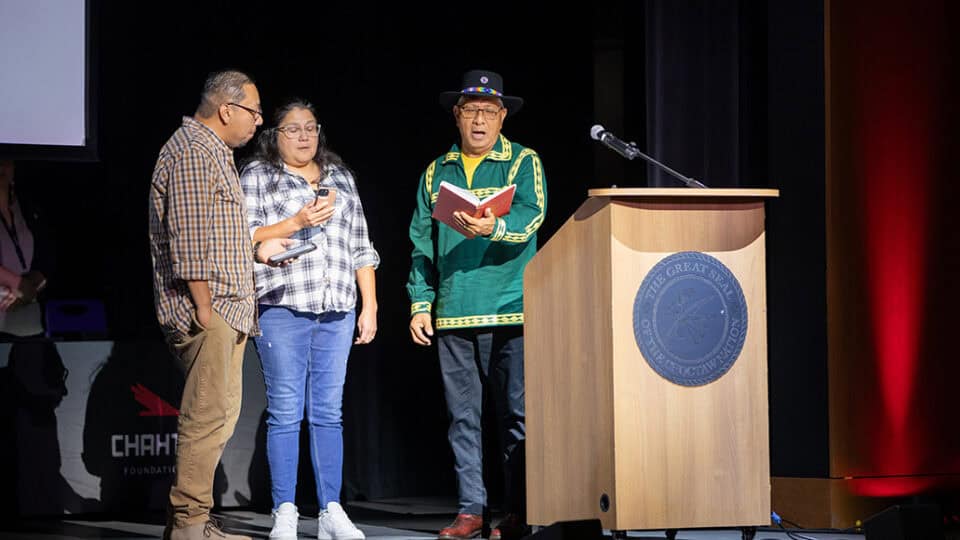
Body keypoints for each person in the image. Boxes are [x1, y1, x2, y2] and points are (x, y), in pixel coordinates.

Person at [148, 70, 291, 540]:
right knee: (206, 415)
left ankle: (193, 520)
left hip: (227, 308)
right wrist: (204, 308)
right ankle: (188, 525)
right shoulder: (193, 151)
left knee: (220, 416)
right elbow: (187, 239)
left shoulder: (214, 153)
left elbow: (218, 237)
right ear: (227, 109)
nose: (259, 120)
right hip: (208, 310)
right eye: (253, 110)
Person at [407, 69, 547, 540]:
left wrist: (495, 228)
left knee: (516, 416)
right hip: (454, 310)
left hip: (512, 308)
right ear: (457, 116)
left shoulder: (522, 161)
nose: (480, 121)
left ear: (503, 115)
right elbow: (421, 244)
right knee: (462, 418)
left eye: (489, 112)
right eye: (472, 112)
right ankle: (471, 510)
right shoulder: (435, 171)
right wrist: (420, 304)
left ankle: (517, 511)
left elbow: (532, 217)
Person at [239, 98, 378, 540]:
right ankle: (284, 509)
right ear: (274, 136)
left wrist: (369, 304)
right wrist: (295, 221)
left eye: (311, 128)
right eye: (293, 129)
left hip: (338, 306)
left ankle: (331, 510)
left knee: (328, 413)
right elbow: (244, 233)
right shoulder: (259, 176)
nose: (304, 136)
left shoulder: (340, 178)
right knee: (284, 412)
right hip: (283, 304)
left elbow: (361, 245)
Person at [0, 159, 51, 339]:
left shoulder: (27, 207)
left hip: (29, 325)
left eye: (5, 160)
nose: (1, 165)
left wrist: (32, 285)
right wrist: (18, 286)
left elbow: (46, 255)